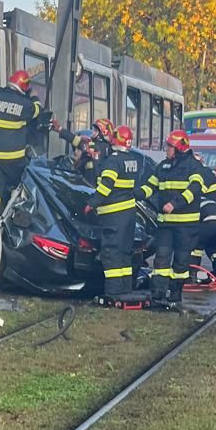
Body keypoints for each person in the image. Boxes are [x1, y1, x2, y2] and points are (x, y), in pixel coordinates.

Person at [139, 129, 203, 309]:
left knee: (181, 262)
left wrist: (175, 203)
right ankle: (158, 295)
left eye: (169, 146)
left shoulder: (193, 166)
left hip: (185, 224)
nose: (166, 149)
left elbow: (195, 189)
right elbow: (151, 186)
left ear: (179, 148)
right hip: (166, 224)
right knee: (161, 260)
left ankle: (175, 295)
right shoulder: (163, 166)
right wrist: (134, 194)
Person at [0, 69, 50, 221]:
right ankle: (15, 219)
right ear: (24, 87)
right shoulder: (25, 104)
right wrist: (34, 96)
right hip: (13, 159)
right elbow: (37, 111)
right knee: (22, 185)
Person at [82, 120, 142, 300]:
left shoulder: (113, 162)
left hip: (113, 216)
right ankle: (125, 290)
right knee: (125, 252)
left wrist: (91, 203)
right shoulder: (132, 160)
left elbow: (105, 187)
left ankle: (113, 293)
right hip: (129, 214)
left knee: (111, 254)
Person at [192, 153, 216, 276]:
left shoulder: (199, 175)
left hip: (210, 217)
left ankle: (192, 272)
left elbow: (193, 194)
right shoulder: (209, 172)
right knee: (214, 246)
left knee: (195, 244)